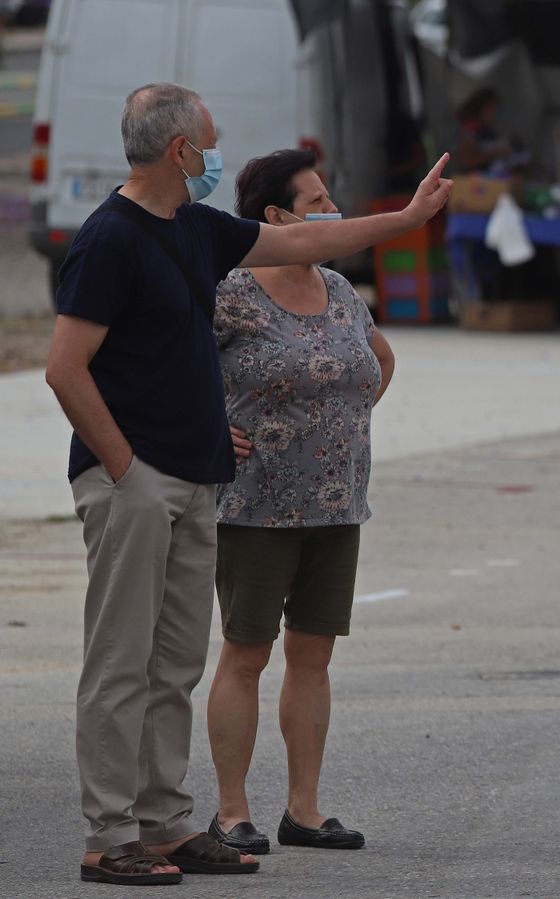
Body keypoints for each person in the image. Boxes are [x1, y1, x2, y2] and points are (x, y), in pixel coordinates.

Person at [43, 82, 450, 886]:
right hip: (138, 482)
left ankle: (163, 822)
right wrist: (124, 467)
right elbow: (64, 368)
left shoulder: (193, 227)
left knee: (174, 666)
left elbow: (304, 246)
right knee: (122, 663)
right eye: (210, 140)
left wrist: (404, 220)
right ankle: (108, 833)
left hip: (197, 481)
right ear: (179, 151)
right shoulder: (110, 240)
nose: (216, 152)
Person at [203, 149, 396, 857]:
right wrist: (205, 426)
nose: (331, 210)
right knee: (247, 654)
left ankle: (305, 810)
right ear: (276, 217)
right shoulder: (230, 290)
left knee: (312, 656)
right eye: (316, 202)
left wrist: (343, 427)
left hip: (337, 502)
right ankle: (230, 811)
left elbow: (380, 358)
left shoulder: (340, 288)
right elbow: (166, 361)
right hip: (255, 506)